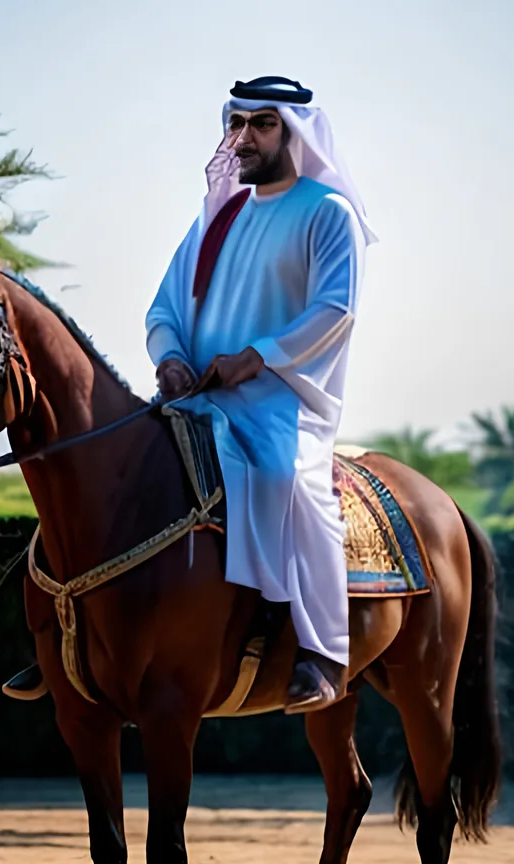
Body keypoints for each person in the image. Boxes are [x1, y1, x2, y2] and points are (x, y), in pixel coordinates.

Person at [145, 75, 377, 713]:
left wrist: (257, 358)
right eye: (235, 124)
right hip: (195, 399)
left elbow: (335, 311)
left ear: (294, 132)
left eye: (261, 125)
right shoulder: (217, 219)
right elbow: (163, 308)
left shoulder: (326, 214)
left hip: (282, 404)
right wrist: (168, 359)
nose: (242, 138)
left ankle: (320, 652)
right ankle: (69, 635)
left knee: (284, 477)